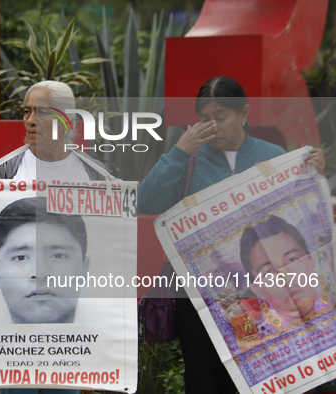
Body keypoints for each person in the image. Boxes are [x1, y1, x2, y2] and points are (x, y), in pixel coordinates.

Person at [137, 76, 325, 394]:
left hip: (263, 295)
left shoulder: (272, 154)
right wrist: (180, 152)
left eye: (221, 117)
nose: (213, 126)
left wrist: (313, 171)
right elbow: (146, 201)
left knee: (263, 375)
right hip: (202, 298)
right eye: (205, 118)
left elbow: (298, 213)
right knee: (205, 376)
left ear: (244, 114)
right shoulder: (187, 159)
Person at [0, 81, 106, 394]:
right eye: (26, 112)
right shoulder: (3, 173)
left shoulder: (95, 176)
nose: (29, 121)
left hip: (75, 342)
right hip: (14, 348)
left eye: (40, 113)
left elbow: (110, 239)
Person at [0, 197, 89, 324]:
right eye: (21, 258)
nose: (40, 273)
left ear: (85, 270)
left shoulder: (115, 336)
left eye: (58, 256)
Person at [0, 80, 106, 181]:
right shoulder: (5, 171)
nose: (31, 121)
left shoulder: (95, 172)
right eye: (27, 112)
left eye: (42, 112)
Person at [240, 215, 334, 332]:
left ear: (310, 258)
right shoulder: (259, 338)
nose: (286, 278)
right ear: (255, 287)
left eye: (292, 260)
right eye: (269, 272)